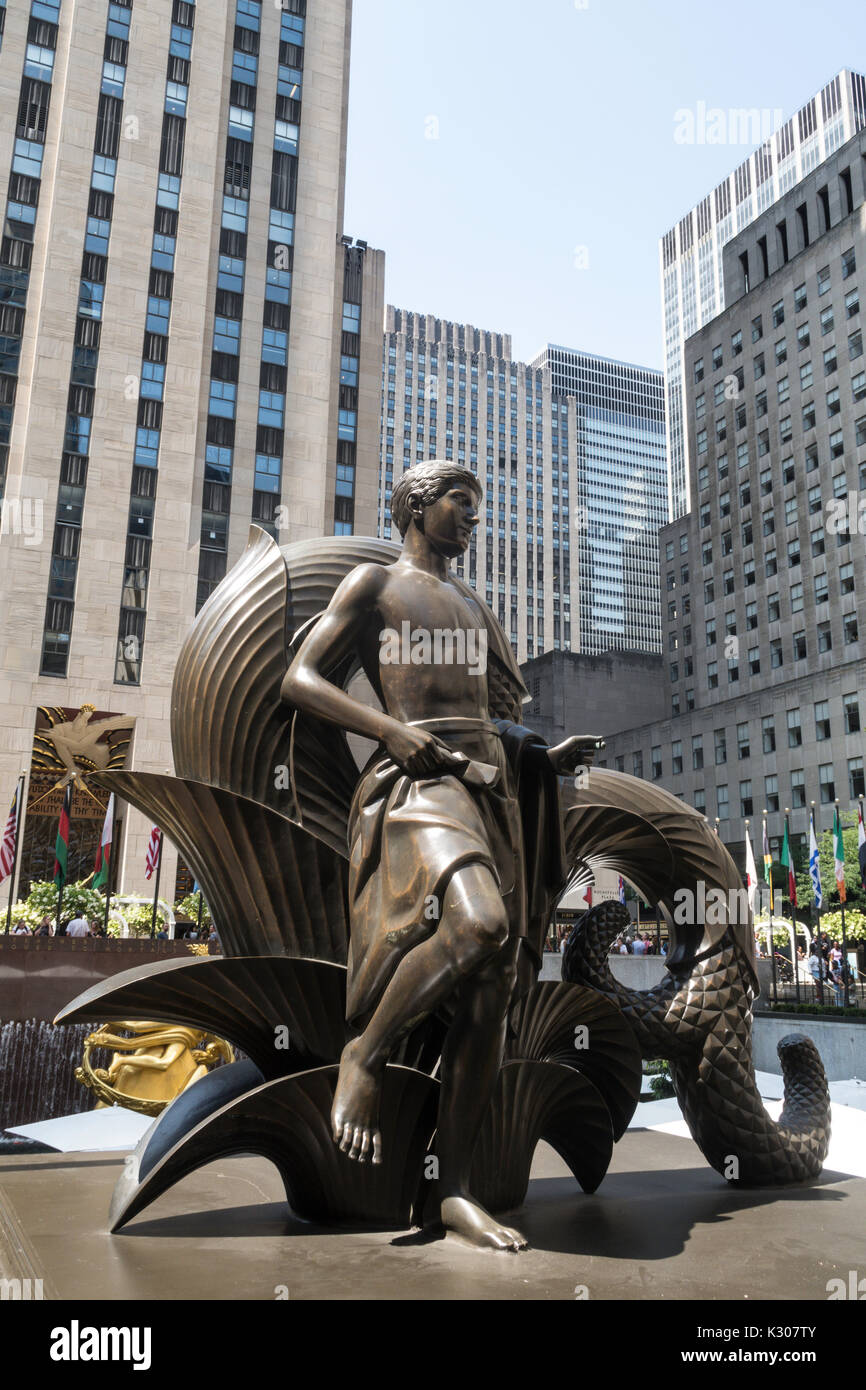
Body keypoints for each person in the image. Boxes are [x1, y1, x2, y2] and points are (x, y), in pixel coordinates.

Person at [281, 459, 599, 1252]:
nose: (472, 518)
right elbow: (300, 678)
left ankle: (452, 1188)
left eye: (476, 507)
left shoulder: (470, 604)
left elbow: (487, 718)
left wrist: (542, 758)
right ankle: (367, 1053)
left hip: (490, 787)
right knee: (483, 925)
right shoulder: (373, 587)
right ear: (420, 506)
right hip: (417, 786)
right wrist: (387, 731)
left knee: (491, 989)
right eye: (462, 503)